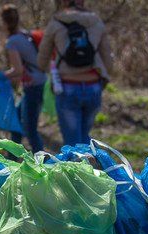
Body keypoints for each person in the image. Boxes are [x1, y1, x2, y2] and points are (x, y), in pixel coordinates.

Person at [37, 0, 113, 146]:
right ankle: (91, 165)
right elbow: (108, 63)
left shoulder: (56, 22)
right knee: (84, 139)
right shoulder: (96, 22)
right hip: (93, 87)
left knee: (72, 144)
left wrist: (53, 72)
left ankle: (79, 167)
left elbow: (41, 61)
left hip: (67, 87)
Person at [1, 4, 46, 152]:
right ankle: (13, 158)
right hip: (39, 83)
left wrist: (1, 76)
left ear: (4, 22)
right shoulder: (26, 35)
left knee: (30, 130)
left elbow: (18, 70)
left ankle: (44, 164)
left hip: (33, 87)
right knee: (16, 123)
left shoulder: (12, 41)